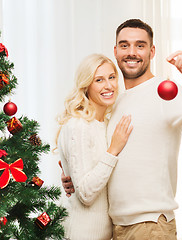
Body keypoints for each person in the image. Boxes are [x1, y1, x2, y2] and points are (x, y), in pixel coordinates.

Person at [61, 19, 182, 240]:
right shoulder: (114, 103)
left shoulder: (165, 91)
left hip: (151, 225)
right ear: (115, 51)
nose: (131, 52)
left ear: (152, 51)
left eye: (140, 45)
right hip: (116, 227)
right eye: (124, 45)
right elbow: (107, 157)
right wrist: (75, 177)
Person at [56, 53, 133, 240]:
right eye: (99, 80)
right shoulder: (79, 126)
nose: (108, 86)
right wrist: (113, 150)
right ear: (86, 86)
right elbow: (85, 194)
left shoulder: (104, 123)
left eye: (112, 77)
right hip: (82, 234)